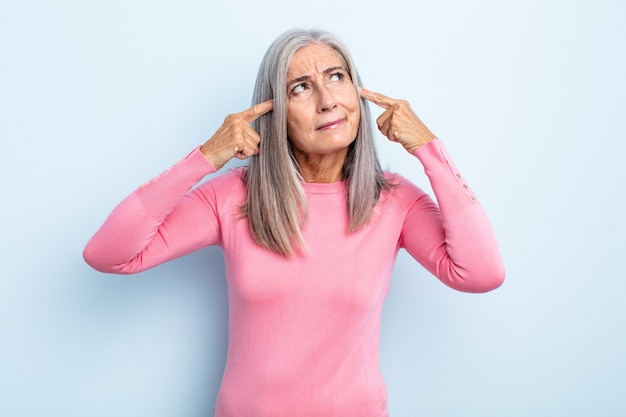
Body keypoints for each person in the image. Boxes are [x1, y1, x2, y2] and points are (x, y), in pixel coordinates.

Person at [83, 28, 504, 417]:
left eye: (337, 77)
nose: (327, 100)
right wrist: (205, 158)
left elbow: (481, 273)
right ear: (276, 112)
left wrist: (428, 148)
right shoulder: (234, 196)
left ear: (358, 94)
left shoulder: (393, 201)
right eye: (300, 88)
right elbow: (109, 254)